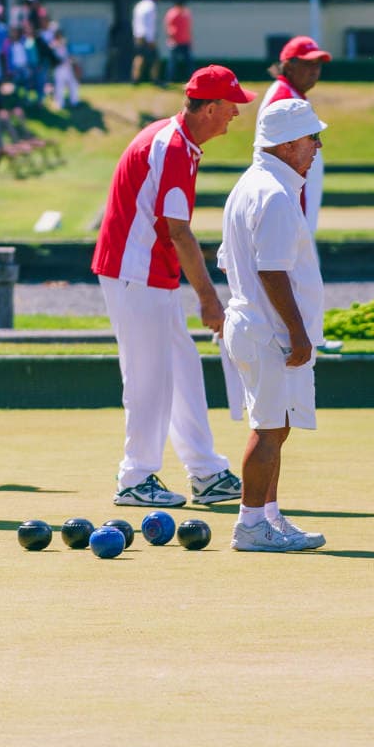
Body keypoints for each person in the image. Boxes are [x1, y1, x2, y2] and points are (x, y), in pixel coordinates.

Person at [90, 63, 249, 509]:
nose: (236, 115)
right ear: (211, 107)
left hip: (144, 271)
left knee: (181, 370)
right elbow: (179, 231)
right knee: (149, 379)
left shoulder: (176, 139)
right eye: (231, 106)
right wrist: (209, 299)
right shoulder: (175, 148)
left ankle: (205, 470)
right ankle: (135, 477)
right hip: (134, 272)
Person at [217, 96, 329, 552]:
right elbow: (272, 270)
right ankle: (249, 525)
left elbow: (233, 262)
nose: (318, 146)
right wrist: (297, 333)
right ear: (286, 145)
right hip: (269, 332)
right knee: (267, 428)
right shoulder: (275, 195)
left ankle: (269, 516)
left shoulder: (255, 184)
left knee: (276, 426)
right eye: (311, 137)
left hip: (256, 325)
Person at [263, 35, 342, 353]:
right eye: (308, 65)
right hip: (292, 200)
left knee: (301, 271)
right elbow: (278, 153)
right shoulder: (284, 97)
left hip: (298, 200)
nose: (314, 72)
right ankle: (304, 337)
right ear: (288, 64)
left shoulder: (291, 95)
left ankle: (307, 335)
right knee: (298, 272)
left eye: (318, 65)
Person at [131, 0, 160, 84]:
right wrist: (151, 39)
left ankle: (135, 79)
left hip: (138, 35)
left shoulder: (139, 5)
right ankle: (155, 79)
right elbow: (150, 24)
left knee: (139, 57)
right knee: (155, 58)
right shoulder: (151, 6)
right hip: (147, 36)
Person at [164, 0, 193, 81]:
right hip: (175, 42)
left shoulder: (186, 13)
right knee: (172, 63)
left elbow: (188, 28)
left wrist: (190, 41)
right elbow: (168, 27)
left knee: (189, 63)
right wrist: (171, 39)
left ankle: (192, 79)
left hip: (185, 41)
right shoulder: (172, 13)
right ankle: (169, 79)